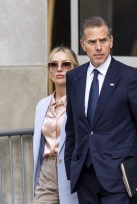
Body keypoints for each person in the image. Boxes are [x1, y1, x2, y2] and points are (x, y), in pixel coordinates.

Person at [64, 16, 137, 204]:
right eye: (92, 42)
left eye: (103, 40)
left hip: (120, 178)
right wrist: (71, 167)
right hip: (85, 177)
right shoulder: (74, 78)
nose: (98, 47)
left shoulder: (130, 78)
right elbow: (72, 128)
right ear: (83, 45)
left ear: (111, 41)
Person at [33, 46, 79, 204]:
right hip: (47, 172)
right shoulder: (42, 105)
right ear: (49, 70)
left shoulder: (81, 103)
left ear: (75, 69)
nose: (59, 68)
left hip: (72, 170)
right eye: (54, 64)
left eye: (66, 64)